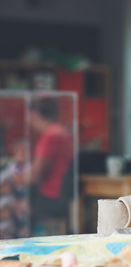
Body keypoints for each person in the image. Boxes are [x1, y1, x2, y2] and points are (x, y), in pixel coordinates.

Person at [29, 97, 74, 234]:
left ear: (35, 114)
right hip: (63, 196)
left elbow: (35, 176)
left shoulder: (50, 136)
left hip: (50, 198)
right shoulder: (62, 132)